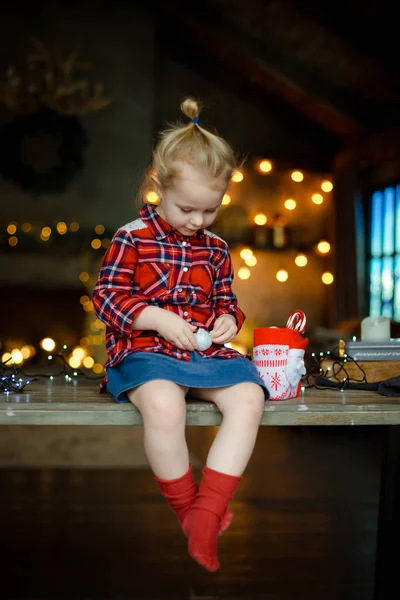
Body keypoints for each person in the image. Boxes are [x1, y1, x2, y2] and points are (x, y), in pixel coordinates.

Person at [92, 97, 269, 572]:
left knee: (250, 397)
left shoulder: (216, 249)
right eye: (187, 208)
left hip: (201, 354)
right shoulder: (131, 237)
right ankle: (189, 511)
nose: (197, 221)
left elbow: (225, 302)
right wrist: (158, 318)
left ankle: (208, 510)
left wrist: (230, 320)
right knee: (166, 404)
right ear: (158, 187)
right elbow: (106, 298)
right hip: (144, 350)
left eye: (209, 211)